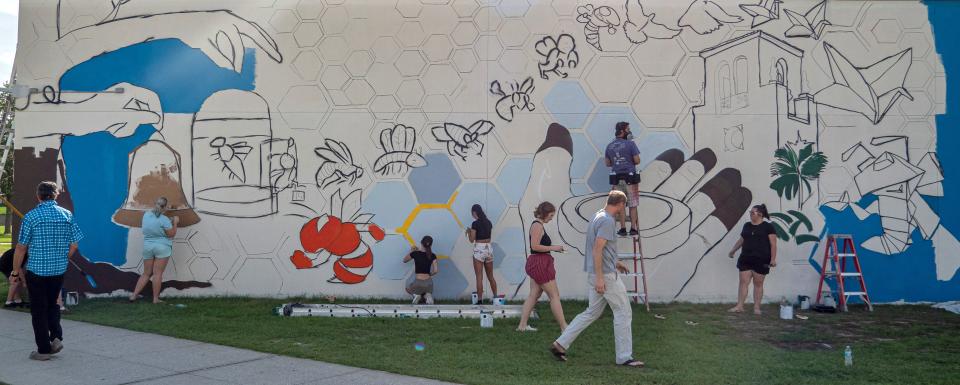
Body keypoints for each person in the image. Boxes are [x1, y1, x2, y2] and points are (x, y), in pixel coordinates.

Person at [549, 190, 643, 368]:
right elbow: (597, 250)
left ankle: (560, 344)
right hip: (605, 276)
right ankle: (624, 357)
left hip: (597, 273)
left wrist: (616, 262)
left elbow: (601, 248)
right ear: (621, 204)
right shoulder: (607, 221)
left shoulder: (597, 216)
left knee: (591, 312)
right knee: (623, 312)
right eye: (625, 206)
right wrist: (601, 278)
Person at [11, 181, 84, 361]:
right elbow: (75, 243)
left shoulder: (31, 217)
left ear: (38, 195)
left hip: (37, 271)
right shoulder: (67, 215)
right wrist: (64, 257)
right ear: (56, 194)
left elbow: (21, 247)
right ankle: (56, 337)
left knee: (38, 309)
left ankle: (43, 350)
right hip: (58, 270)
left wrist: (14, 271)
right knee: (53, 304)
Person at [517, 202, 568, 332]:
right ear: (544, 214)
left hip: (538, 262)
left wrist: (553, 249)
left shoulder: (538, 225)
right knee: (554, 295)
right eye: (551, 215)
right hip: (540, 263)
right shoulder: (537, 226)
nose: (552, 218)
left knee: (534, 295)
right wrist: (554, 248)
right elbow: (534, 246)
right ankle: (564, 327)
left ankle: (522, 326)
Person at [727, 204, 778, 315]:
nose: (750, 214)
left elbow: (773, 244)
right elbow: (742, 240)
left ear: (760, 214)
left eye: (752, 212)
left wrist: (773, 259)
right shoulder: (746, 225)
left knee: (758, 284)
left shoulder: (768, 227)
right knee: (743, 282)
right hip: (745, 258)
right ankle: (739, 306)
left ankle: (756, 308)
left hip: (762, 259)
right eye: (750, 212)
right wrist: (733, 250)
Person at [129, 197, 179, 304]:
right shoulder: (164, 219)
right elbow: (171, 234)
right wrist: (175, 223)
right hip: (162, 247)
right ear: (164, 207)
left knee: (146, 273)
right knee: (157, 274)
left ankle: (133, 295)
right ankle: (155, 299)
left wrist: (166, 215)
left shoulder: (146, 215)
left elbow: (155, 222)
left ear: (155, 204)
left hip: (148, 247)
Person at [604, 122, 641, 237]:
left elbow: (608, 163)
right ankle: (633, 229)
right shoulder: (630, 144)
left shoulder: (609, 146)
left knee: (620, 204)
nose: (629, 131)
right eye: (628, 129)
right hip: (630, 179)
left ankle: (623, 228)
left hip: (616, 179)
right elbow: (637, 161)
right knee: (632, 204)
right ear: (623, 131)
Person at [466, 204, 498, 303]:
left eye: (472, 213)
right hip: (488, 248)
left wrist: (469, 232)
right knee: (491, 276)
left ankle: (480, 300)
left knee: (479, 277)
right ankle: (496, 298)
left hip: (479, 248)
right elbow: (489, 238)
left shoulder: (475, 224)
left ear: (474, 213)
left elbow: (472, 240)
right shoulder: (489, 222)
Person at [404, 236, 439, 305]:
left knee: (408, 288)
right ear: (431, 245)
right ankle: (427, 296)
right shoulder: (433, 255)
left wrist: (412, 251)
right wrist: (430, 274)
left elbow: (404, 260)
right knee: (426, 291)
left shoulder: (415, 253)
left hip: (418, 283)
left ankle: (416, 295)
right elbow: (436, 271)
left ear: (421, 243)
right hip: (429, 283)